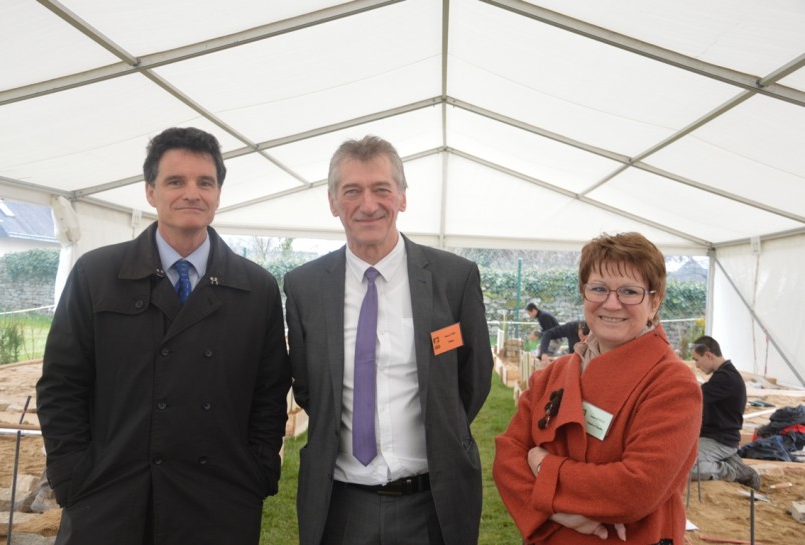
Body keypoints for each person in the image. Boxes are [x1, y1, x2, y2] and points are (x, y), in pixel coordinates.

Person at [36, 127, 291, 545]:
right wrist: (72, 476)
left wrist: (259, 470)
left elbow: (269, 393)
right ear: (151, 192)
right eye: (176, 181)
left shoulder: (256, 288)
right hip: (111, 500)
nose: (192, 193)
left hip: (218, 503)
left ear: (218, 194)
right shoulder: (96, 275)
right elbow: (61, 385)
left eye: (204, 182)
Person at [284, 135, 493, 545]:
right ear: (332, 202)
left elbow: (474, 379)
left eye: (381, 189)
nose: (368, 204)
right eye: (352, 191)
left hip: (433, 501)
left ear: (402, 197)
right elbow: (308, 387)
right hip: (340, 506)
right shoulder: (305, 286)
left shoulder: (454, 278)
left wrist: (443, 426)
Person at [493, 232, 702, 544]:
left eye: (630, 292)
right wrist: (556, 512)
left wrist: (543, 466)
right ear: (584, 293)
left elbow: (635, 489)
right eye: (599, 289)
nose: (612, 303)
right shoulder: (554, 374)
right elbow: (506, 457)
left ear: (655, 302)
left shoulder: (671, 383)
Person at [690, 336, 760, 490]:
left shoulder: (726, 378)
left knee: (683, 468)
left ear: (708, 355)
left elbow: (694, 397)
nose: (696, 365)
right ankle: (730, 461)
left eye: (697, 360)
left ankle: (731, 471)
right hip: (714, 438)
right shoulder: (723, 374)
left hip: (720, 441)